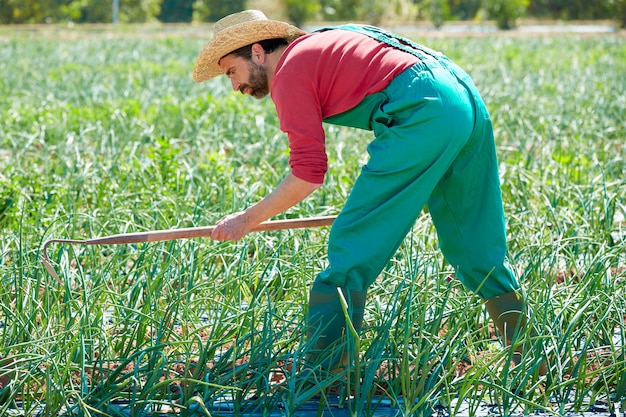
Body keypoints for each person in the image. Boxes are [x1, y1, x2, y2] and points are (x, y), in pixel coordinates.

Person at [193, 10, 545, 378]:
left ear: (258, 52)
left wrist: (246, 220)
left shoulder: (290, 73)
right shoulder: (321, 42)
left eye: (232, 71)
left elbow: (308, 174)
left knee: (351, 245)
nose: (235, 86)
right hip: (462, 97)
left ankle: (321, 378)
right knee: (474, 245)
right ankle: (532, 364)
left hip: (423, 112)